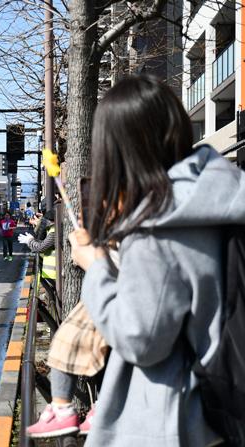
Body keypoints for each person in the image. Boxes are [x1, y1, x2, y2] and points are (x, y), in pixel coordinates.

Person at [66, 75, 242, 446]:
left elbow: (141, 340)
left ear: (114, 148)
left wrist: (94, 265)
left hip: (176, 418)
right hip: (225, 402)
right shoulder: (219, 194)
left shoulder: (159, 225)